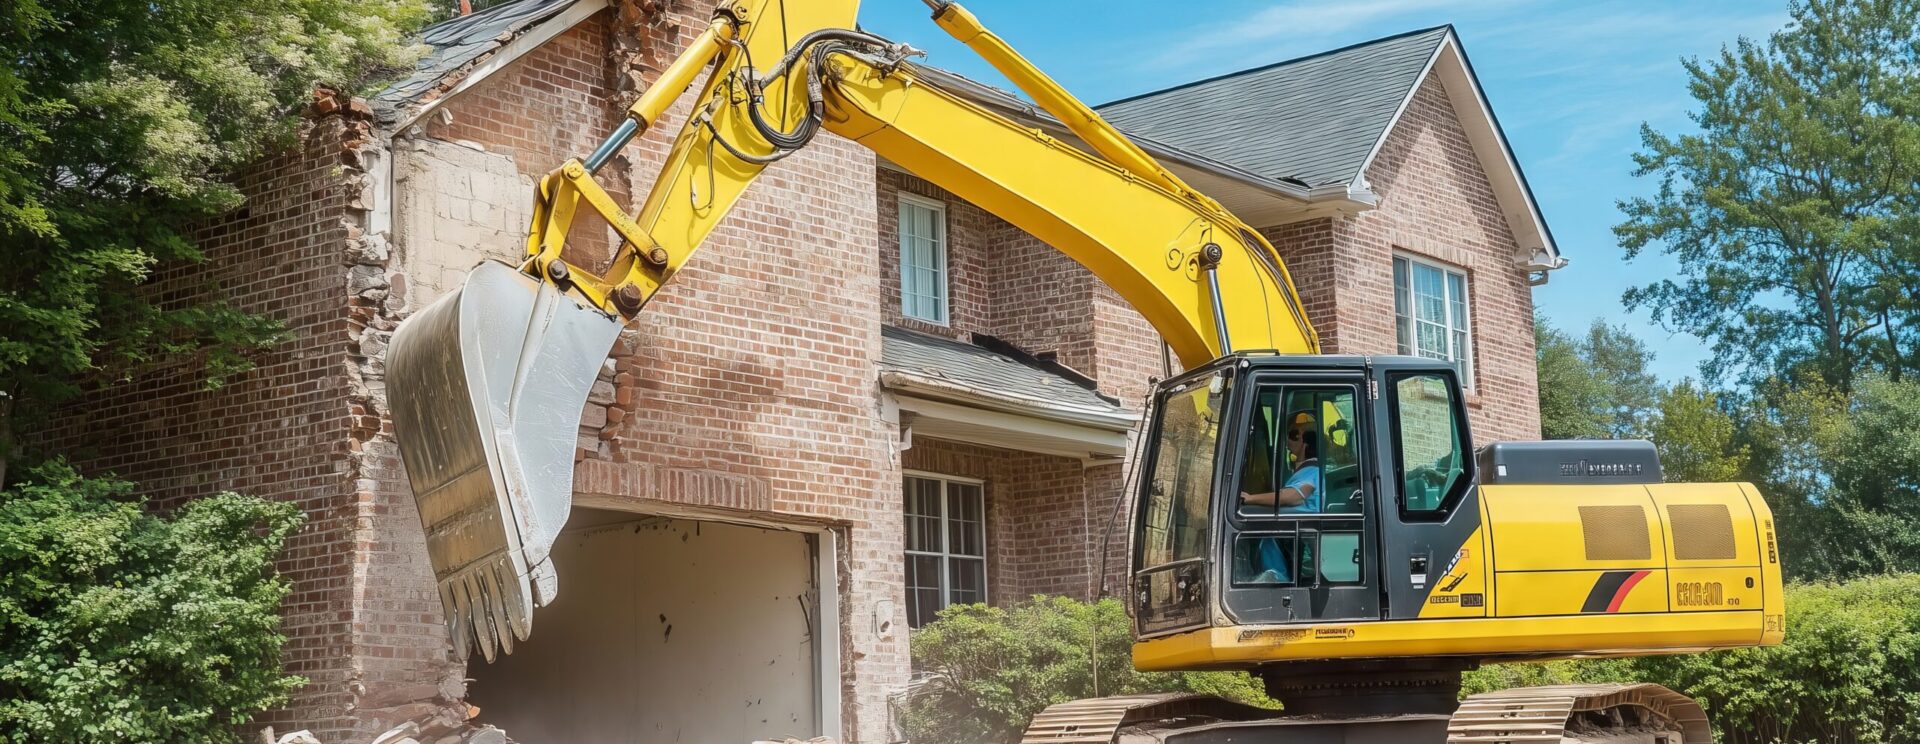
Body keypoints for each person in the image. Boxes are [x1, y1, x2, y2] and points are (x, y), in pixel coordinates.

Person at [1241, 411, 1322, 583]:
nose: (1287, 443)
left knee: (1267, 533)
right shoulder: (1304, 470)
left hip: (1304, 534)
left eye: (1293, 436)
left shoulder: (1313, 470)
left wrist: (1250, 499)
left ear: (1305, 441)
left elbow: (1292, 497)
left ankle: (1275, 577)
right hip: (1296, 531)